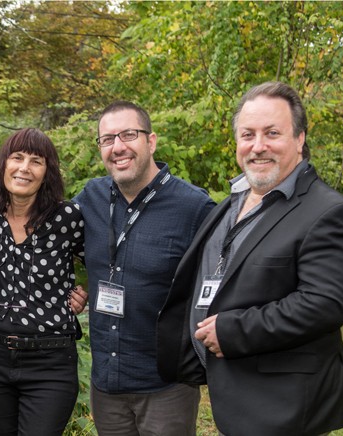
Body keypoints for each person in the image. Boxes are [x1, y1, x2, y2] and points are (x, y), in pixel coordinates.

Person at [157, 81, 343, 435]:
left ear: (299, 139)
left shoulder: (328, 211)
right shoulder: (233, 200)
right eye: (247, 134)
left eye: (272, 133)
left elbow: (325, 303)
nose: (258, 146)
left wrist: (233, 330)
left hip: (284, 407)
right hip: (237, 396)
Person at [73, 101, 215, 435]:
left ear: (151, 142)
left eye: (128, 135)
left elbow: (223, 279)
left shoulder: (194, 207)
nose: (117, 147)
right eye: (107, 139)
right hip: (106, 385)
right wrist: (67, 287)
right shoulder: (90, 197)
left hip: (165, 386)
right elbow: (49, 244)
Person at [0, 128, 85, 436]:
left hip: (51, 362)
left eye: (36, 161)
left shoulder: (67, 218)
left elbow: (105, 262)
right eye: (16, 157)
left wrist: (87, 290)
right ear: (2, 164)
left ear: (47, 172)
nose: (24, 168)